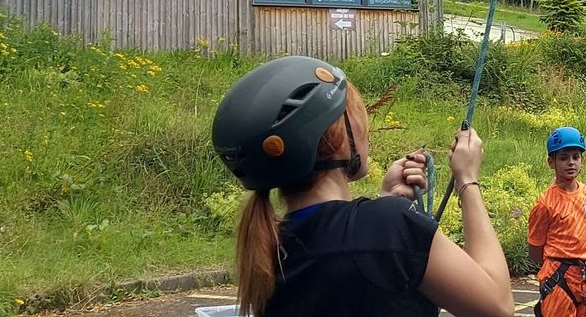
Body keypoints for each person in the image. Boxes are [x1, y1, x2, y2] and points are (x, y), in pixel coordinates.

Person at [211, 56, 514, 317]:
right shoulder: (385, 226)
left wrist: (383, 201)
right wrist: (467, 180)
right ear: (337, 138)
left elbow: (346, 263)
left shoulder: (269, 247)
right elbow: (497, 307)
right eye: (356, 115)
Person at [527, 126, 586, 317]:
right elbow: (535, 250)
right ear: (551, 162)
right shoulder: (545, 203)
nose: (571, 163)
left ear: (582, 160)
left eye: (575, 157)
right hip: (558, 277)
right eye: (563, 158)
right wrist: (559, 265)